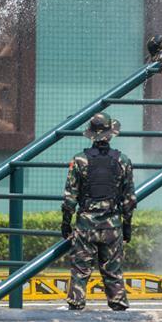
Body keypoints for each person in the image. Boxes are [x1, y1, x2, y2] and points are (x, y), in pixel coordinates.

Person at [61, 113, 136, 311]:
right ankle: (120, 314)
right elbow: (129, 201)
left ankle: (75, 314)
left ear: (91, 134)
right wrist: (127, 228)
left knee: (80, 272)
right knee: (113, 272)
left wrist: (65, 224)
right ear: (111, 134)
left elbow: (69, 199)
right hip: (112, 225)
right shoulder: (123, 161)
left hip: (86, 225)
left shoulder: (79, 160)